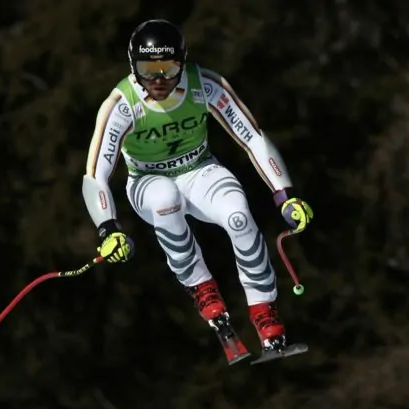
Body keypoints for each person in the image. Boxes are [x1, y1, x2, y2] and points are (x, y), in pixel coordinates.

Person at [81, 19, 313, 352]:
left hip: (200, 171)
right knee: (165, 199)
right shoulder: (122, 105)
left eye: (169, 68)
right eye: (148, 71)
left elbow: (253, 139)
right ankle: (203, 291)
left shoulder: (204, 85)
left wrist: (285, 195)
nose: (159, 80)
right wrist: (107, 228)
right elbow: (96, 175)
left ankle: (265, 312)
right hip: (148, 181)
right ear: (133, 67)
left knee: (238, 215)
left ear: (183, 61)